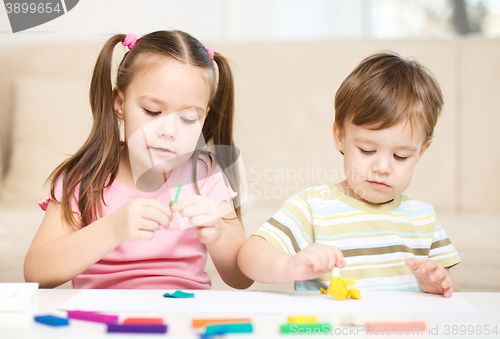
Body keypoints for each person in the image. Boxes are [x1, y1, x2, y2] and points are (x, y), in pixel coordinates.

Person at [24, 30, 253, 290]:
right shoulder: (84, 177)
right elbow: (36, 273)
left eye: (189, 119)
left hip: (183, 316)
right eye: (152, 112)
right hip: (104, 320)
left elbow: (242, 278)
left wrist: (219, 235)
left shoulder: (205, 174)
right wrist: (112, 229)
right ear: (119, 102)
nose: (169, 131)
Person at [238, 52, 460, 297]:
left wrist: (438, 285)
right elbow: (248, 257)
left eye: (401, 156)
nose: (383, 167)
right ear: (340, 137)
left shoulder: (423, 219)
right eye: (367, 150)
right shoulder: (313, 207)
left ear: (422, 151)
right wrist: (290, 266)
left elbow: (449, 292)